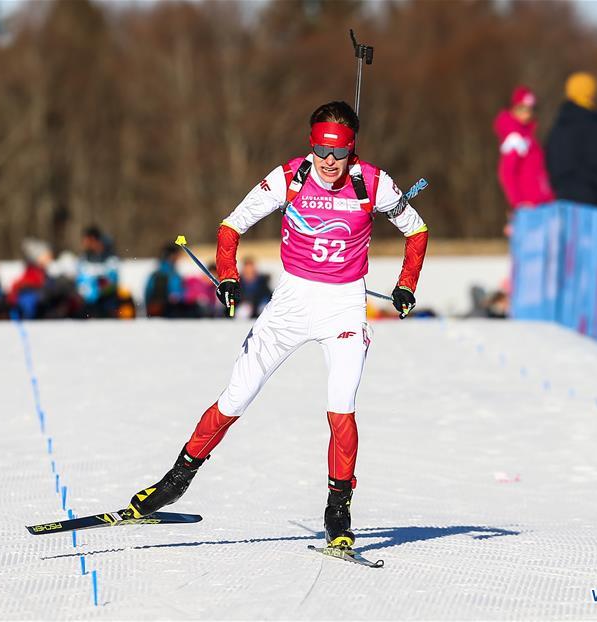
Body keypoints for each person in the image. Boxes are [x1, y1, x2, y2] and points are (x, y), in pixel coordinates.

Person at [124, 101, 429, 549]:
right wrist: (227, 275)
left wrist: (406, 285)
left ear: (352, 149)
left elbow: (416, 231)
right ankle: (175, 481)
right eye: (321, 151)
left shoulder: (373, 182)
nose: (329, 163)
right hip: (290, 303)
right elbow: (231, 226)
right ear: (311, 145)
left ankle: (338, 512)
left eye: (339, 153)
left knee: (341, 403)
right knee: (237, 396)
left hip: (343, 305)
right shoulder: (290, 177)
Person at [493, 85, 554, 229]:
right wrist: (518, 203)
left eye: (530, 109)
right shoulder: (515, 138)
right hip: (528, 205)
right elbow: (506, 173)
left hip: (541, 202)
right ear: (513, 109)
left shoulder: (528, 136)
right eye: (522, 109)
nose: (527, 114)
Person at [546, 72, 597, 206]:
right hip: (589, 197)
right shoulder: (590, 124)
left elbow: (550, 159)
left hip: (561, 196)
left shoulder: (558, 125)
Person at [76, 226, 120, 318]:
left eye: (86, 240)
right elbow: (80, 280)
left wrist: (95, 290)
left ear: (93, 239)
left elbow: (112, 282)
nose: (84, 243)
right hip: (87, 303)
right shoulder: (84, 258)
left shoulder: (110, 258)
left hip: (105, 301)